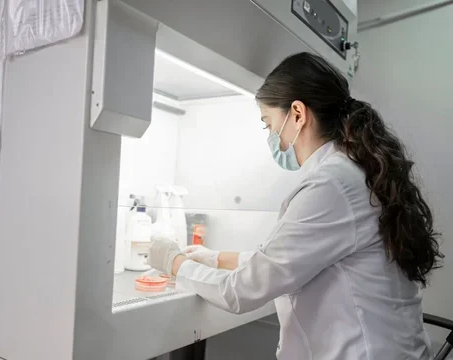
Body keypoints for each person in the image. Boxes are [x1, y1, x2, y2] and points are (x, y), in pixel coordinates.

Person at [148, 52, 444, 359]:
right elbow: (297, 258)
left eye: (268, 124)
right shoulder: (356, 171)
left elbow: (242, 292)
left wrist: (174, 262)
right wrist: (217, 258)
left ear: (298, 114)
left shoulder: (331, 184)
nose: (270, 136)